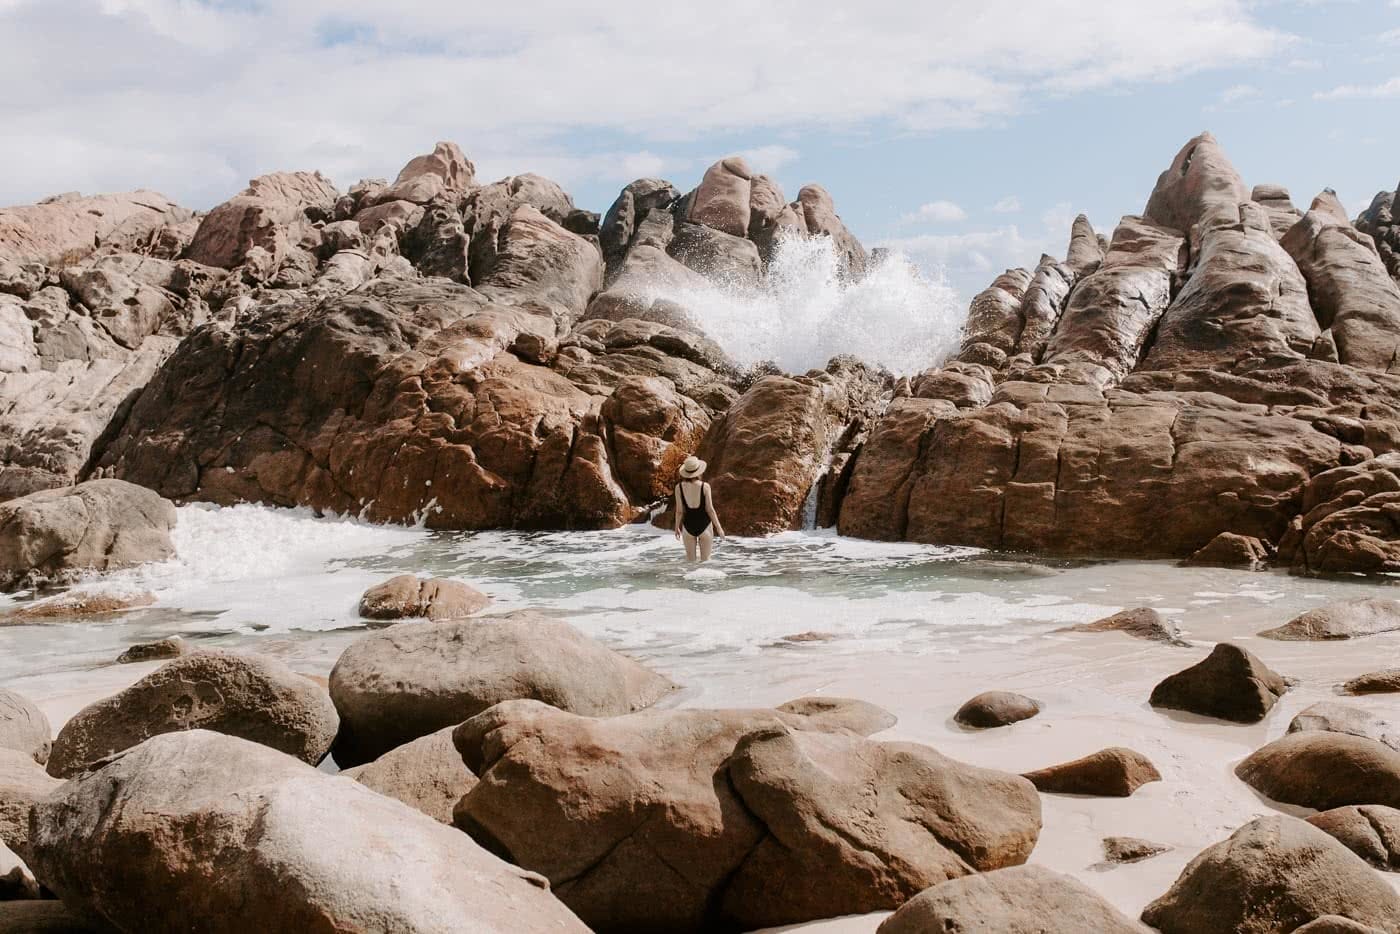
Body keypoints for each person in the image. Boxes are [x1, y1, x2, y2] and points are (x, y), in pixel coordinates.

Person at [673, 456, 725, 562]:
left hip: (688, 526)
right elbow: (710, 509)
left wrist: (676, 527)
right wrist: (719, 528)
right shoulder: (705, 486)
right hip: (705, 525)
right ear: (699, 471)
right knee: (705, 562)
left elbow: (679, 511)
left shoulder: (679, 487)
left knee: (690, 562)